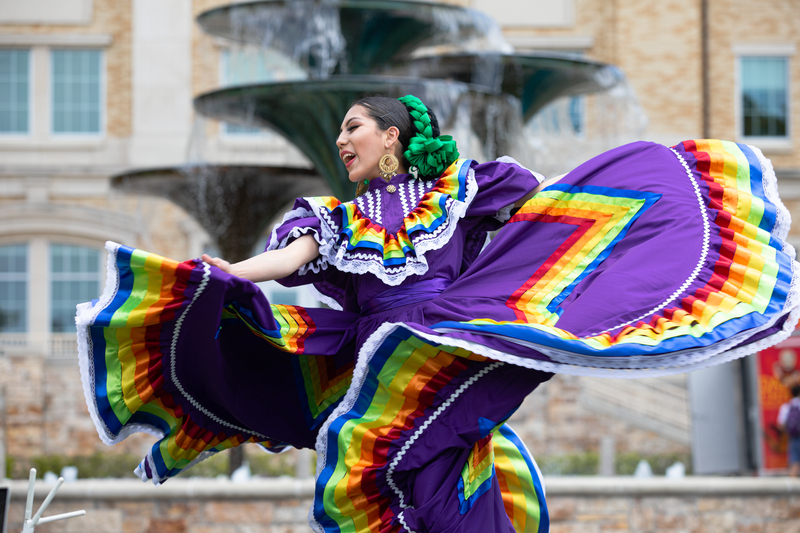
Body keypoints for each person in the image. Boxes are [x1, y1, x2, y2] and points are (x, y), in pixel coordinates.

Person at [76, 94, 800, 533]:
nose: (341, 139)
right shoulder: (333, 218)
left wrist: (614, 231)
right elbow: (291, 260)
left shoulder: (460, 189)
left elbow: (547, 211)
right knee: (413, 471)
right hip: (374, 357)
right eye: (338, 131)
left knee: (371, 456)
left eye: (353, 126)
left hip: (455, 339)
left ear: (391, 136)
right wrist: (227, 273)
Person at [778, 384, 800, 477]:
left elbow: (780, 425)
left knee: (794, 463)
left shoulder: (786, 407)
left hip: (793, 438)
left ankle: (792, 489)